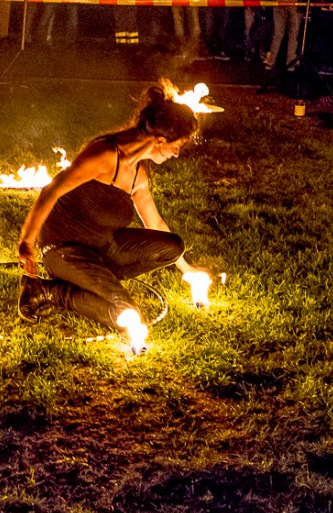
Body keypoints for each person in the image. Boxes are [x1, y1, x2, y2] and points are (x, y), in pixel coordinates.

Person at [16, 84, 206, 334]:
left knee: (173, 246)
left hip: (103, 247)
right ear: (160, 140)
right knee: (126, 315)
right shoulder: (104, 155)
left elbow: (155, 224)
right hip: (64, 249)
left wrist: (188, 270)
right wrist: (26, 242)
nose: (177, 153)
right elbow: (51, 191)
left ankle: (94, 279)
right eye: (177, 146)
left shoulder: (139, 174)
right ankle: (47, 291)